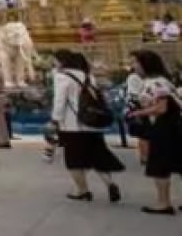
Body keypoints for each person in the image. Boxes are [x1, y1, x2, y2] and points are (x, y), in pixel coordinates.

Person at [50, 49, 122, 203]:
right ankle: (110, 183)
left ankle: (82, 190)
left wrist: (55, 119)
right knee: (97, 156)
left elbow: (60, 101)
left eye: (55, 60)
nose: (53, 64)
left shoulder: (61, 77)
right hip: (91, 123)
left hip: (72, 125)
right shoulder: (88, 76)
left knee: (74, 159)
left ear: (61, 61)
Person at [124, 49, 181, 215]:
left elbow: (161, 108)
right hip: (172, 126)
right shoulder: (161, 80)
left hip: (164, 127)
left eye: (135, 62)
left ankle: (164, 203)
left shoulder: (155, 82)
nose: (133, 66)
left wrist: (137, 113)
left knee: (159, 165)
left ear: (145, 64)